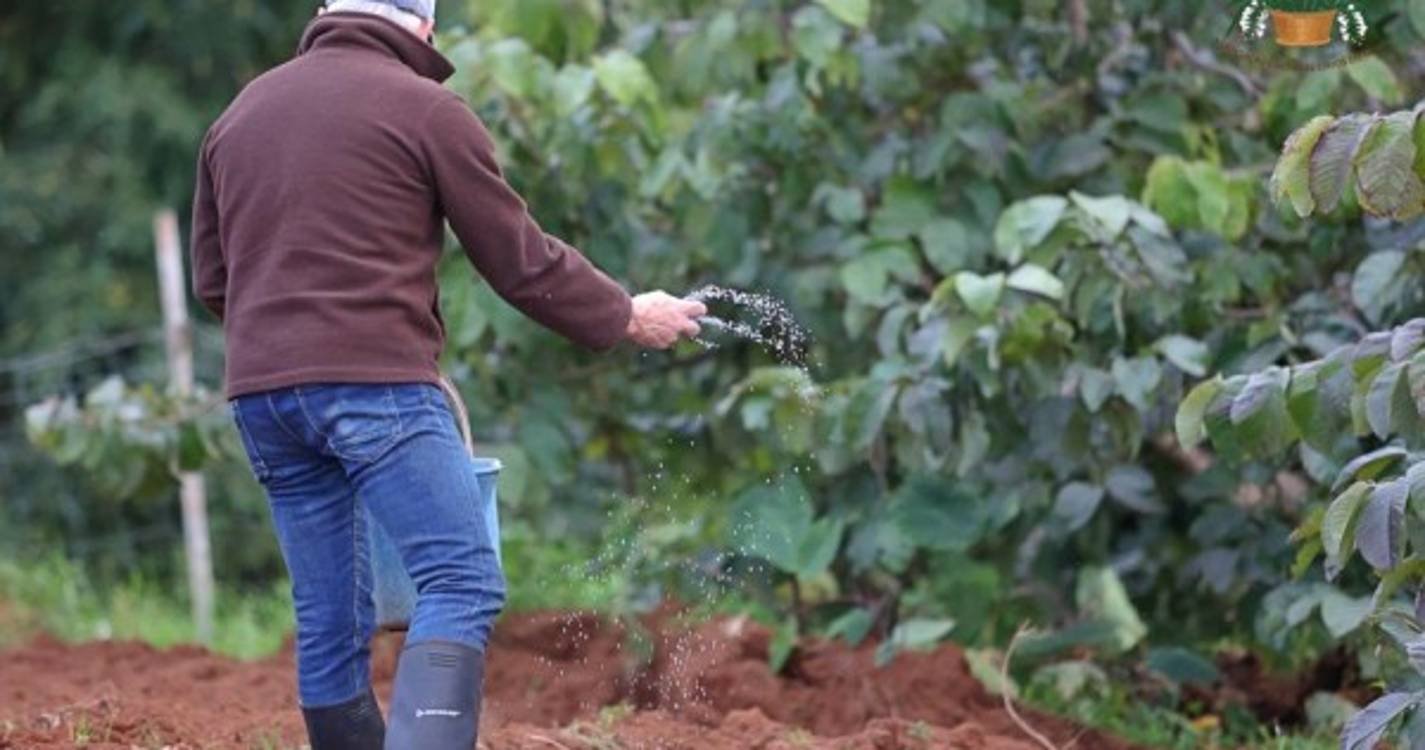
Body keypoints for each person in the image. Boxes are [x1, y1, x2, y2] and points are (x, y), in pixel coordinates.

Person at [188, 1, 707, 747]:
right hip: (376, 389)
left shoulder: (239, 115)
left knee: (330, 616)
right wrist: (624, 313)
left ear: (326, 9)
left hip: (263, 399)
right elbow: (518, 261)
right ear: (422, 25)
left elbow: (214, 280)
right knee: (460, 579)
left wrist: (290, 344)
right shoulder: (426, 109)